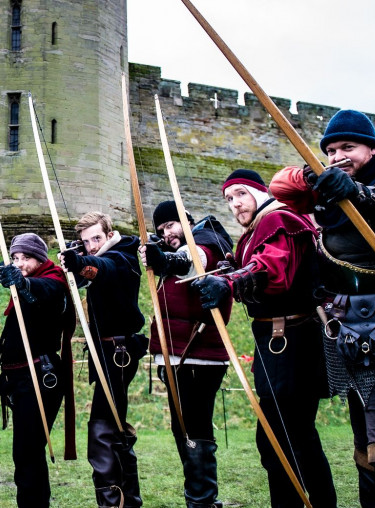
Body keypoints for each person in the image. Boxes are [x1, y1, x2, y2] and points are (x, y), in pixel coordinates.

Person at [270, 110, 375, 506]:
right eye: (330, 150)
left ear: (373, 149)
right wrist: (317, 177)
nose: (337, 155)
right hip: (349, 325)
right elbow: (281, 187)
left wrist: (357, 191)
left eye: (348, 147)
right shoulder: (331, 186)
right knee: (366, 448)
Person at [193, 169, 336, 507]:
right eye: (228, 199)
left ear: (258, 192)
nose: (235, 204)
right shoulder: (261, 228)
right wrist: (231, 271)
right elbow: (259, 265)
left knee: (282, 439)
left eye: (241, 194)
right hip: (282, 342)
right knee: (295, 436)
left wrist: (230, 283)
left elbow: (273, 267)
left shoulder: (277, 220)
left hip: (289, 341)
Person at [138, 201, 233, 508]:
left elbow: (193, 261)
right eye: (162, 229)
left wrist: (165, 259)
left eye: (171, 225)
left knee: (194, 427)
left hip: (199, 354)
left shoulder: (208, 241)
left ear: (188, 220)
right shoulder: (177, 247)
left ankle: (202, 501)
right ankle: (201, 499)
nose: (167, 233)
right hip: (177, 355)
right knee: (183, 428)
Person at [58, 211, 147, 508]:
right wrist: (75, 261)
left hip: (119, 354)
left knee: (103, 429)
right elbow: (85, 275)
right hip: (108, 353)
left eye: (97, 238)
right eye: (87, 241)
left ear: (109, 234)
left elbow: (104, 268)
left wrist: (82, 262)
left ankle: (114, 502)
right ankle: (128, 500)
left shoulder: (123, 257)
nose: (93, 245)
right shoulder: (98, 254)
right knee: (113, 428)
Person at [0, 233, 72, 508]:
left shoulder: (55, 279)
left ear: (40, 258)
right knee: (27, 453)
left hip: (40, 375)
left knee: (27, 453)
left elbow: (45, 292)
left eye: (26, 258)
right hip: (22, 378)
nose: (20, 263)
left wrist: (23, 283)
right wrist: (4, 273)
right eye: (15, 258)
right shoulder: (24, 280)